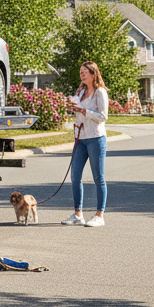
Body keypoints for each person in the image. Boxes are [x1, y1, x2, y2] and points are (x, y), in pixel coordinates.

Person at [61, 60, 110, 228]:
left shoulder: (100, 92)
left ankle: (99, 215)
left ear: (93, 73)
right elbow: (77, 110)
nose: (81, 74)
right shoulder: (80, 91)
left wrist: (84, 111)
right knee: (75, 177)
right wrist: (71, 107)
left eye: (84, 72)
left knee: (98, 178)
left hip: (96, 138)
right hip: (80, 139)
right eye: (80, 71)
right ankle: (78, 214)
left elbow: (103, 117)